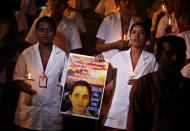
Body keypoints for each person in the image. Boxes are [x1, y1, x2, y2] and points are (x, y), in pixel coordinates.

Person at [13, 16, 68, 131]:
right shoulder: (26, 54)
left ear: (54, 33)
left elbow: (66, 84)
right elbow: (17, 77)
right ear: (36, 32)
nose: (45, 33)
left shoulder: (62, 56)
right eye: (41, 30)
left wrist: (67, 105)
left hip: (52, 107)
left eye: (49, 30)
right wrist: (24, 86)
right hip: (30, 107)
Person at [101, 22, 158, 131]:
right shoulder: (119, 56)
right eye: (134, 32)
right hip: (118, 108)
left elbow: (156, 83)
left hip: (140, 108)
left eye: (141, 33)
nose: (136, 36)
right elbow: (104, 76)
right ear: (130, 37)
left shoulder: (152, 59)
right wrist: (99, 63)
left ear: (146, 39)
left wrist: (141, 83)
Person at [127, 35, 189, 131]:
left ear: (184, 58)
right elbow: (135, 126)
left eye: (179, 54)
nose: (175, 58)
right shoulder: (144, 86)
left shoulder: (187, 87)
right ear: (158, 56)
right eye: (169, 53)